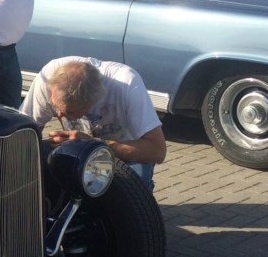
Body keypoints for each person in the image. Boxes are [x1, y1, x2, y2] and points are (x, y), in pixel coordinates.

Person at [20, 56, 166, 191]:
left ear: (90, 104)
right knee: (33, 161)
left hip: (125, 154)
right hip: (78, 147)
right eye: (54, 105)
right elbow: (25, 133)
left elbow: (158, 151)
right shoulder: (49, 75)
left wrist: (95, 145)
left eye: (68, 112)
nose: (58, 114)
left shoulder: (127, 84)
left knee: (134, 183)